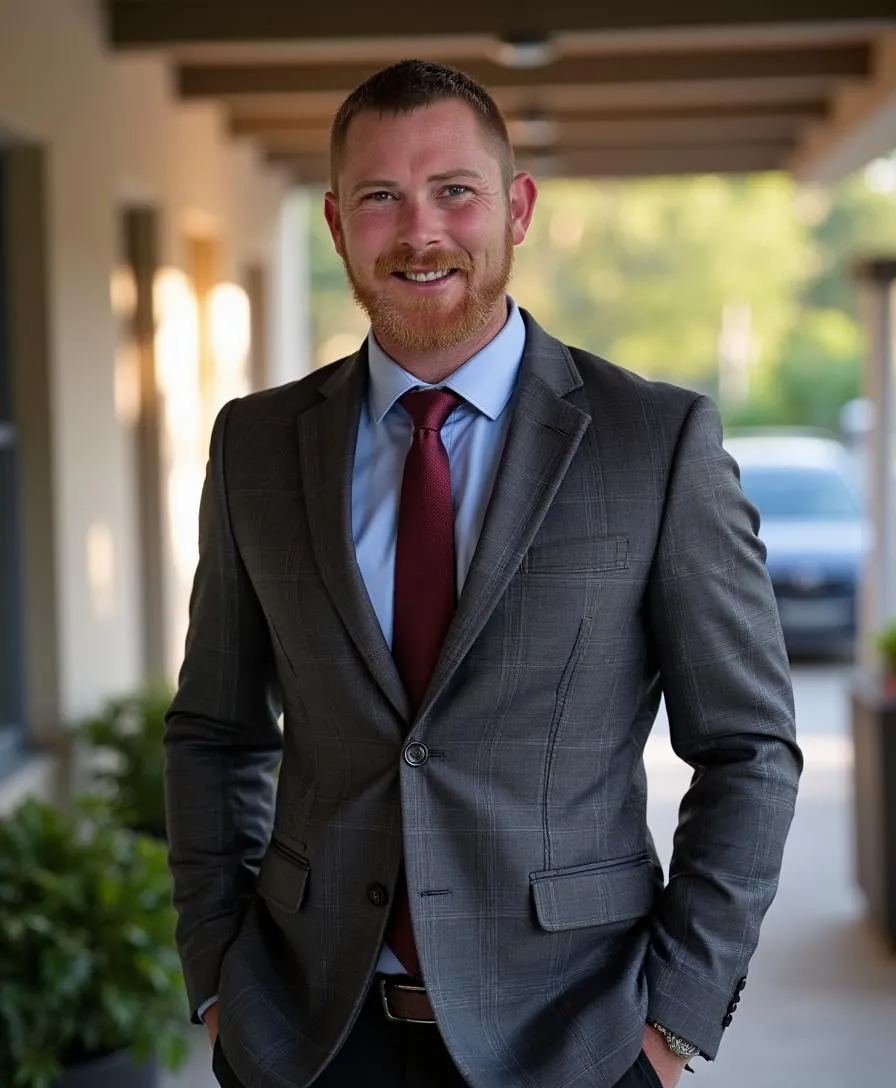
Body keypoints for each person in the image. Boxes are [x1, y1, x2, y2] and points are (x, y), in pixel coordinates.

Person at [164, 59, 802, 1088]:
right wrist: (218, 981)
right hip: (304, 1033)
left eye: (453, 190)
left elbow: (748, 747)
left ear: (516, 208)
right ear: (335, 223)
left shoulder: (653, 441)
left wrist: (672, 1020)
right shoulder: (256, 445)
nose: (420, 230)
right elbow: (215, 731)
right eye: (381, 196)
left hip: (575, 1038)